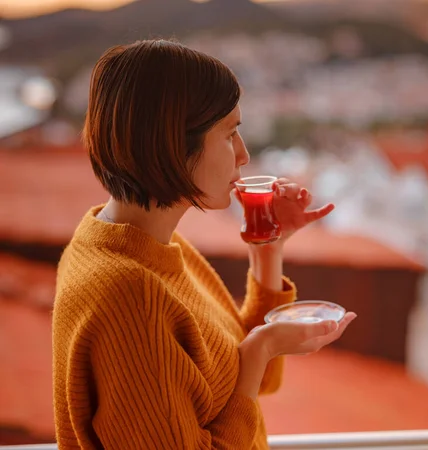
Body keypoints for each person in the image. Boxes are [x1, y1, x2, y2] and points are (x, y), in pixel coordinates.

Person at [52, 39, 356, 450]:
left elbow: (249, 378)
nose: (244, 155)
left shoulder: (145, 246)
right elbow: (250, 369)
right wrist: (262, 346)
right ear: (173, 143)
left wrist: (268, 251)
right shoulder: (130, 293)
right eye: (230, 134)